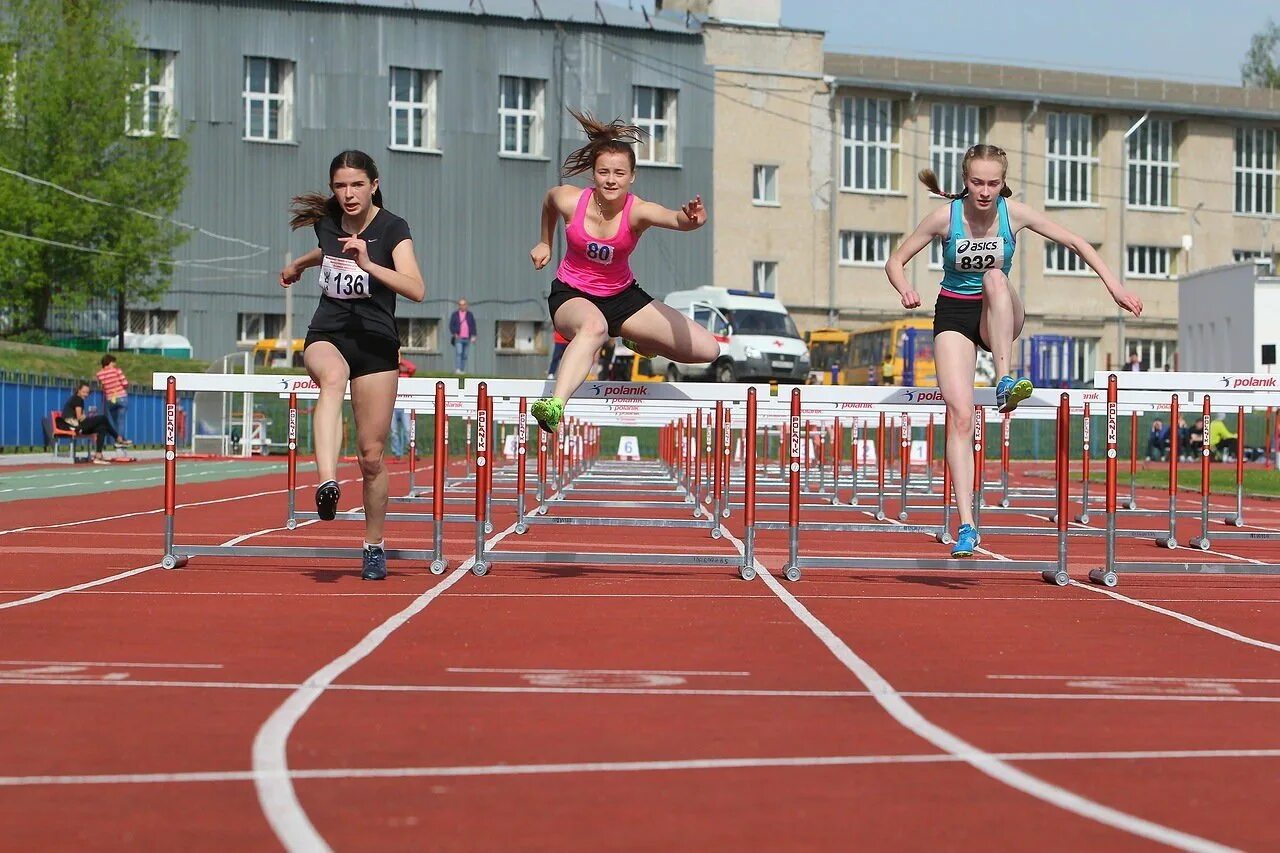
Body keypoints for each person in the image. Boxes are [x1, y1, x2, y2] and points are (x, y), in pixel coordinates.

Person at [885, 144, 1143, 558]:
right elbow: (895, 260)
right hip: (953, 313)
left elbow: (1076, 242)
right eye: (976, 183)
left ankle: (1006, 377)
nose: (985, 192)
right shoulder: (943, 219)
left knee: (994, 278)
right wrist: (905, 288)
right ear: (964, 182)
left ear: (1003, 183)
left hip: (1000, 314)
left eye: (993, 183)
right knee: (960, 414)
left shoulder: (1014, 215)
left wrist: (1115, 286)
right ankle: (967, 524)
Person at [278, 150, 425, 581]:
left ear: (374, 184)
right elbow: (323, 251)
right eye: (340, 186)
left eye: (356, 184)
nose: (348, 194)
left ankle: (373, 546)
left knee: (372, 457)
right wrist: (296, 266)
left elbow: (417, 289)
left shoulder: (393, 229)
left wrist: (368, 264)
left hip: (377, 344)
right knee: (332, 377)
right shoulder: (327, 223)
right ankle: (326, 482)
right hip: (329, 333)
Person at [528, 109, 719, 433]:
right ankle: (554, 406)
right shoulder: (571, 200)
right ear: (594, 174)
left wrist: (692, 220)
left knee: (708, 349)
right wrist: (544, 242)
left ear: (632, 176)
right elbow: (548, 202)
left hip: (622, 296)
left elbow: (675, 218)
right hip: (572, 294)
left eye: (619, 173)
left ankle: (636, 340)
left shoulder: (637, 212)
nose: (611, 179)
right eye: (604, 172)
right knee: (593, 326)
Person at [57, 381, 121, 464]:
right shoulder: (77, 399)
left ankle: (98, 455)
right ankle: (117, 438)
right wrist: (88, 418)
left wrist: (87, 418)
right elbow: (80, 417)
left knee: (102, 428)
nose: (86, 394)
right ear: (78, 391)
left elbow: (80, 417)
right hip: (74, 426)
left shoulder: (77, 399)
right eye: (83, 392)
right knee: (103, 418)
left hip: (75, 425)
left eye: (87, 393)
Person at [95, 354, 132, 447]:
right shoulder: (117, 371)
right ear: (109, 362)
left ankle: (116, 439)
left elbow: (102, 387)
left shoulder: (99, 374)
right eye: (113, 362)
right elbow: (125, 383)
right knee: (121, 420)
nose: (115, 364)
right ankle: (121, 439)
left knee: (113, 421)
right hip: (121, 396)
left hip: (110, 398)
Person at [388, 349, 417, 459]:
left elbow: (413, 368)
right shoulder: (390, 369)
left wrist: (402, 362)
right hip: (393, 404)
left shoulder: (406, 371)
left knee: (408, 430)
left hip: (405, 405)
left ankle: (412, 450)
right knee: (394, 431)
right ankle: (397, 452)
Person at [448, 298, 477, 374]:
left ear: (466, 305)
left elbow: (473, 325)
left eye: (463, 304)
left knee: (465, 355)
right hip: (459, 337)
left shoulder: (469, 315)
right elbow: (451, 325)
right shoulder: (455, 314)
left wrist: (474, 335)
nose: (462, 306)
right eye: (460, 304)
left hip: (467, 337)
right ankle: (458, 369)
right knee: (459, 353)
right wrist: (454, 333)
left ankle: (462, 369)